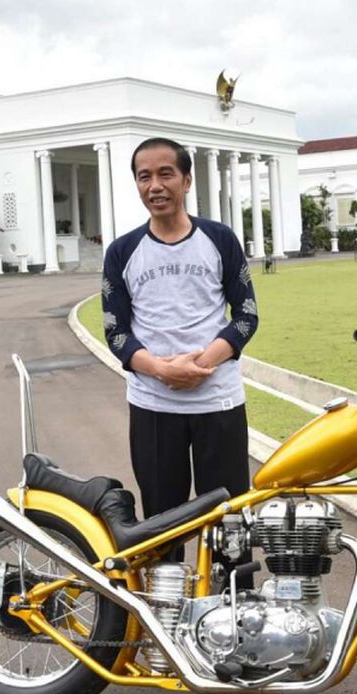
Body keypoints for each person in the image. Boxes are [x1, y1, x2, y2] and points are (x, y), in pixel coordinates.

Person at [101, 137, 258, 570]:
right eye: (144, 176)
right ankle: (168, 619)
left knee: (228, 520)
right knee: (162, 521)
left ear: (187, 180)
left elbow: (246, 315)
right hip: (153, 405)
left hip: (218, 401)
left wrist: (200, 365)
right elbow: (116, 331)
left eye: (166, 173)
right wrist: (161, 371)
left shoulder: (220, 240)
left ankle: (233, 616)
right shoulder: (122, 252)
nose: (155, 185)